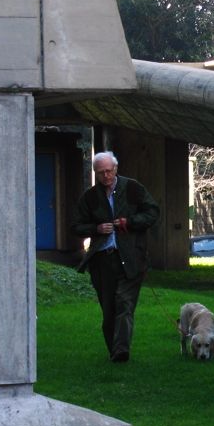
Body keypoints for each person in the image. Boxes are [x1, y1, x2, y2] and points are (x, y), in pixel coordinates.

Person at [72, 151, 160, 362]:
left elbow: (152, 212)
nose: (106, 176)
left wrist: (129, 222)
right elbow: (76, 226)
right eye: (101, 173)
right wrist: (96, 228)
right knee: (109, 310)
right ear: (95, 173)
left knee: (124, 303)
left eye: (109, 171)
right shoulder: (90, 197)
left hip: (131, 258)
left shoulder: (132, 188)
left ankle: (121, 351)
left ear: (116, 169)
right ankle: (114, 349)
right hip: (102, 260)